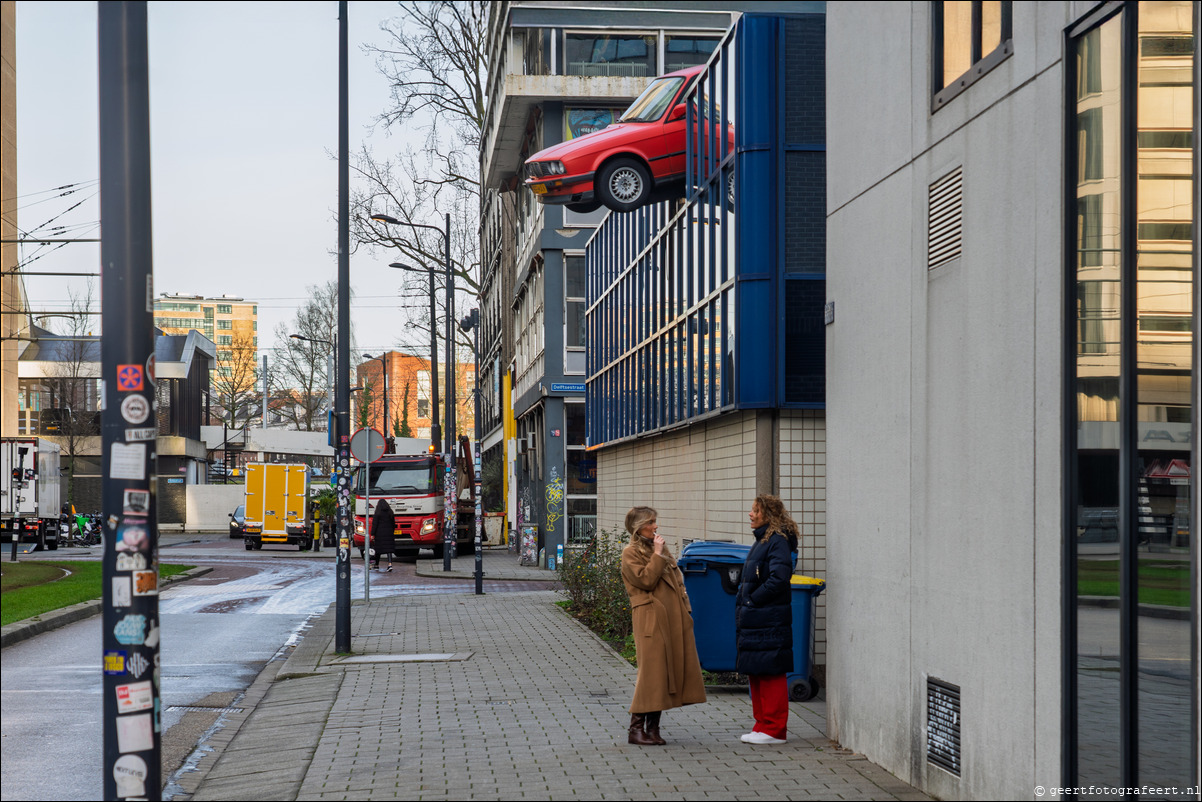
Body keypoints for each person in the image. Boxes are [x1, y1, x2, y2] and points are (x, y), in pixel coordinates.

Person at [619, 506, 707, 746]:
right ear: (639, 527)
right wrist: (658, 554)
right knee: (651, 673)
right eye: (651, 523)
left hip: (672, 617)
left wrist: (686, 611)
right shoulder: (630, 552)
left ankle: (653, 729)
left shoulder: (659, 549)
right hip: (650, 616)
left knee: (663, 672)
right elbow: (645, 580)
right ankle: (636, 729)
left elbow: (678, 581)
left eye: (655, 522)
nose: (656, 526)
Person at [735, 494, 799, 744]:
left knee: (770, 671)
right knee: (757, 670)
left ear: (768, 514)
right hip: (756, 618)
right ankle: (762, 725)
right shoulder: (763, 539)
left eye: (755, 510)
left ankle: (774, 730)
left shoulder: (777, 541)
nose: (750, 514)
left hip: (767, 618)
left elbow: (779, 578)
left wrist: (753, 600)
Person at [370, 498, 395, 571]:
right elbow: (393, 523)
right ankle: (390, 564)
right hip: (389, 533)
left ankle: (376, 565)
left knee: (378, 550)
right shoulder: (390, 512)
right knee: (389, 550)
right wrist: (392, 531)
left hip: (379, 534)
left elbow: (375, 524)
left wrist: (372, 534)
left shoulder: (377, 513)